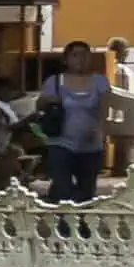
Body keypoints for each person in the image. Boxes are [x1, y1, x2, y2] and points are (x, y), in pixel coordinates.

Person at [35, 42, 116, 204]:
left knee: (87, 190)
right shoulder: (55, 81)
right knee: (63, 187)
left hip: (90, 143)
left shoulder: (100, 82)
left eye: (85, 55)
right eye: (75, 55)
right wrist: (48, 100)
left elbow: (106, 109)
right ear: (66, 60)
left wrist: (100, 130)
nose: (80, 59)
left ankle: (83, 226)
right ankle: (64, 225)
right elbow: (39, 106)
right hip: (61, 141)